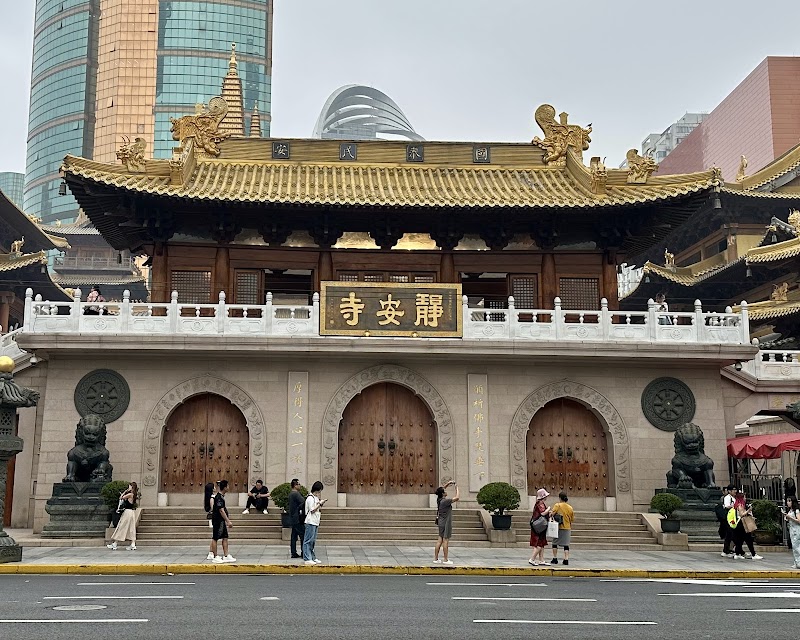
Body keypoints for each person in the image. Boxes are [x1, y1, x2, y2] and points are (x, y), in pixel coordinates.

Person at [731, 490, 762, 561]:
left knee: (740, 540)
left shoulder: (736, 505)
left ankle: (737, 553)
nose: (745, 498)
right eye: (744, 497)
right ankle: (753, 554)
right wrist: (748, 511)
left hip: (739, 524)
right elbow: (742, 514)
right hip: (742, 524)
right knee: (748, 539)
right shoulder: (740, 505)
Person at [434, 480, 460, 565]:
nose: (446, 491)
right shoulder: (445, 501)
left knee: (439, 540)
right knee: (445, 540)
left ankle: (436, 559)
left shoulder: (439, 500)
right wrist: (457, 488)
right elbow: (457, 498)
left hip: (440, 522)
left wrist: (448, 483)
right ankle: (445, 559)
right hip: (445, 522)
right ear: (443, 494)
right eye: (445, 491)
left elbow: (441, 489)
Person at [211, 479, 236, 563]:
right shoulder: (218, 497)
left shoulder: (221, 497)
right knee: (215, 537)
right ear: (225, 487)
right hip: (218, 521)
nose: (228, 487)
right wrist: (228, 521)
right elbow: (221, 510)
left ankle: (226, 555)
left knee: (225, 537)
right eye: (227, 486)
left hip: (222, 521)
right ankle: (215, 556)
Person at [107, 482, 138, 551]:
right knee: (131, 528)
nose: (128, 487)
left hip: (127, 512)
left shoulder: (130, 494)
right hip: (131, 512)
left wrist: (125, 491)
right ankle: (133, 544)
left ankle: (115, 543)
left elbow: (121, 497)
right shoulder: (134, 494)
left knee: (121, 526)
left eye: (129, 486)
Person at [303, 480, 326, 565]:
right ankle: (307, 558)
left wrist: (320, 503)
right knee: (308, 540)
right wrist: (319, 504)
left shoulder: (315, 498)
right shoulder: (310, 498)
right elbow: (312, 510)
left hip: (315, 521)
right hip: (310, 521)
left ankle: (312, 557)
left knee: (312, 540)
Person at [528, 488, 551, 566]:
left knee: (542, 543)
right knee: (539, 544)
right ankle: (532, 559)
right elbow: (543, 513)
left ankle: (541, 560)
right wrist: (548, 509)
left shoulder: (539, 503)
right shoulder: (540, 504)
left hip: (540, 526)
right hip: (539, 527)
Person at [550, 492, 574, 566]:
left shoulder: (557, 505)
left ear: (560, 498)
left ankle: (555, 558)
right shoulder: (570, 508)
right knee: (566, 544)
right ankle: (566, 559)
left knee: (554, 543)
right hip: (567, 527)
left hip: (558, 527)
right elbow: (572, 519)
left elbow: (552, 514)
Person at [288, 478, 305, 559]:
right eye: (298, 484)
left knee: (294, 536)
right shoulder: (296, 494)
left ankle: (293, 552)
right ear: (295, 485)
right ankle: (303, 552)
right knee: (303, 535)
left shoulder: (291, 494)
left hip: (293, 518)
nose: (300, 486)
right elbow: (303, 502)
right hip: (298, 518)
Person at [718, 484, 736, 558]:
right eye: (733, 490)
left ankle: (729, 549)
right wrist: (734, 506)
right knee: (729, 534)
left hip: (733, 518)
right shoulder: (727, 498)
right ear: (729, 491)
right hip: (728, 518)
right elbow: (726, 506)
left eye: (735, 489)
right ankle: (726, 550)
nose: (735, 491)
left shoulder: (733, 498)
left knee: (732, 534)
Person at [785, 496, 800, 569]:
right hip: (791, 529)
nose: (788, 503)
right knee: (794, 546)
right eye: (787, 501)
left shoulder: (796, 511)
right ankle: (796, 562)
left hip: (796, 530)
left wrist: (790, 517)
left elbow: (799, 520)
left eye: (789, 501)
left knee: (797, 547)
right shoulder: (790, 511)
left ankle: (798, 562)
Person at [204, 481, 217, 560]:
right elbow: (213, 508)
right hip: (213, 518)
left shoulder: (207, 497)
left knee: (214, 536)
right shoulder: (212, 497)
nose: (215, 488)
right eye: (214, 487)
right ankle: (211, 552)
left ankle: (212, 552)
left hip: (211, 518)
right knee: (214, 536)